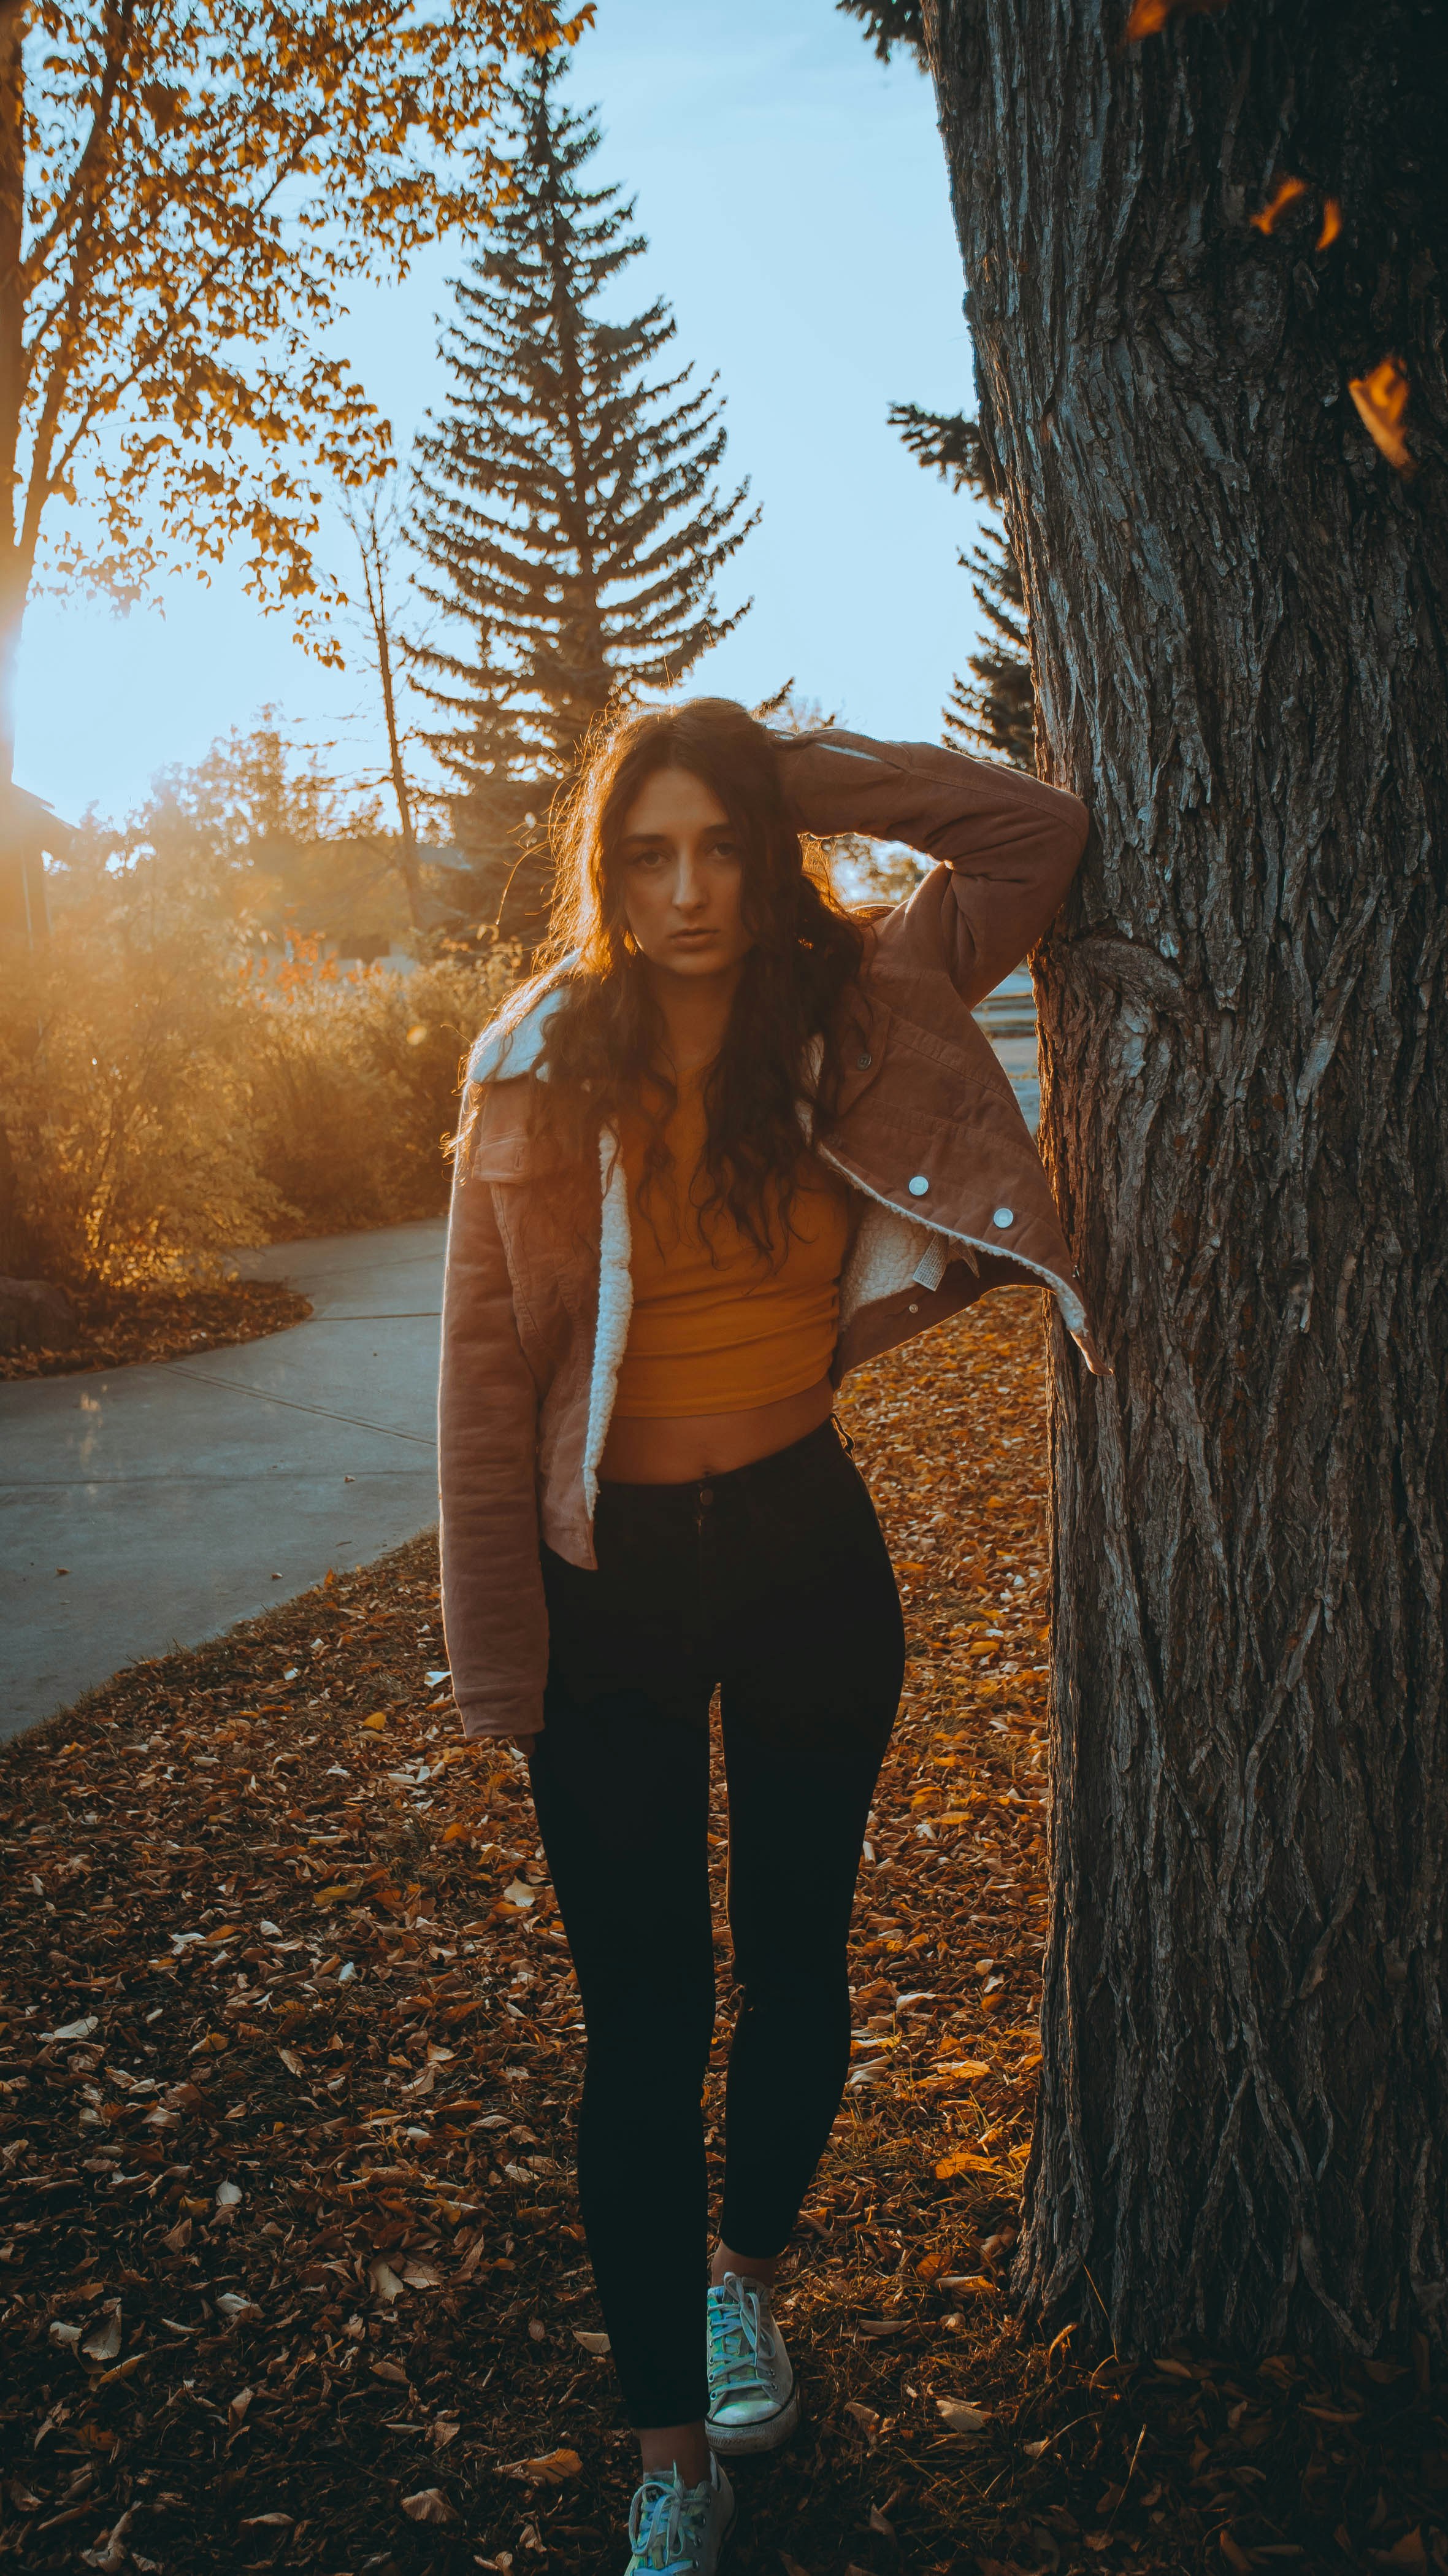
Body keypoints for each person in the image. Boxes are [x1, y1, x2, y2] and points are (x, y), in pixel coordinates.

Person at [439, 699, 1096, 2575]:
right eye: (645, 852)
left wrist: (775, 762)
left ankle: (744, 2280)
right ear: (602, 868)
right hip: (607, 1581)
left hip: (808, 1548)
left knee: (797, 1960)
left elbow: (1025, 836)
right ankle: (670, 2461)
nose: (687, 888)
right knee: (637, 2028)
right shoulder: (538, 1061)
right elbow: (488, 1378)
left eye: (720, 843)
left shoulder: (862, 998)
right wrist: (501, 1642)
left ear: (768, 843)